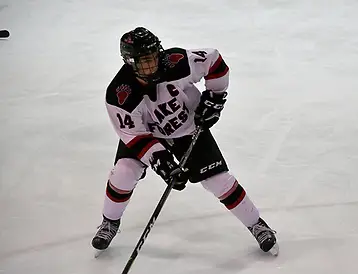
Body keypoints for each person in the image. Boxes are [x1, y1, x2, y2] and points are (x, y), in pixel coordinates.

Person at [91, 27, 278, 255]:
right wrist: (161, 162)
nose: (153, 65)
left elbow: (214, 61)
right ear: (130, 62)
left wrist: (215, 97)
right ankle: (109, 221)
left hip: (187, 128)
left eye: (153, 57)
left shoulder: (177, 61)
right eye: (144, 61)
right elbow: (135, 137)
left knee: (218, 181)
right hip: (148, 135)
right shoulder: (120, 94)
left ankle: (256, 223)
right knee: (124, 171)